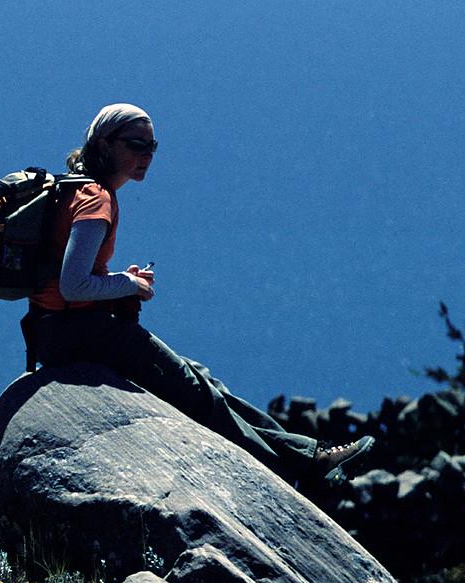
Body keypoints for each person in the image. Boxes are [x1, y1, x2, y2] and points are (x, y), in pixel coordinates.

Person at [19, 103, 373, 482]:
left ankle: (307, 454)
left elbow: (69, 278)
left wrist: (120, 281)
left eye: (153, 147)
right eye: (137, 145)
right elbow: (74, 286)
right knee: (194, 390)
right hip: (80, 332)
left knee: (201, 378)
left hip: (55, 331)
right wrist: (130, 284)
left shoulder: (73, 191)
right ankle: (299, 468)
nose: (147, 156)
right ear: (104, 144)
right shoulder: (95, 199)